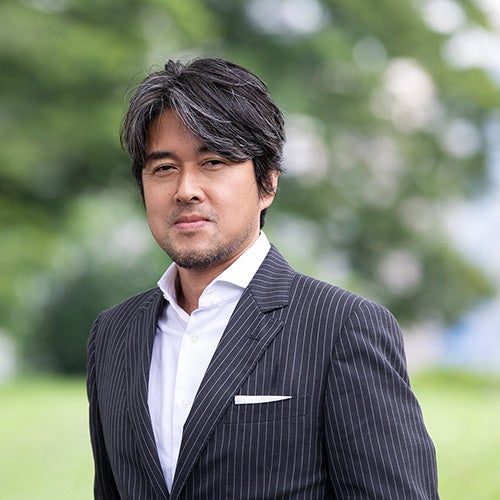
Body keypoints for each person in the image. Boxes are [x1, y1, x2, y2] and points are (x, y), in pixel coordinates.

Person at [87, 56, 439, 499]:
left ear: (268, 182)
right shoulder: (113, 335)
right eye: (164, 168)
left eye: (213, 162)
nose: (186, 189)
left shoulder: (342, 328)